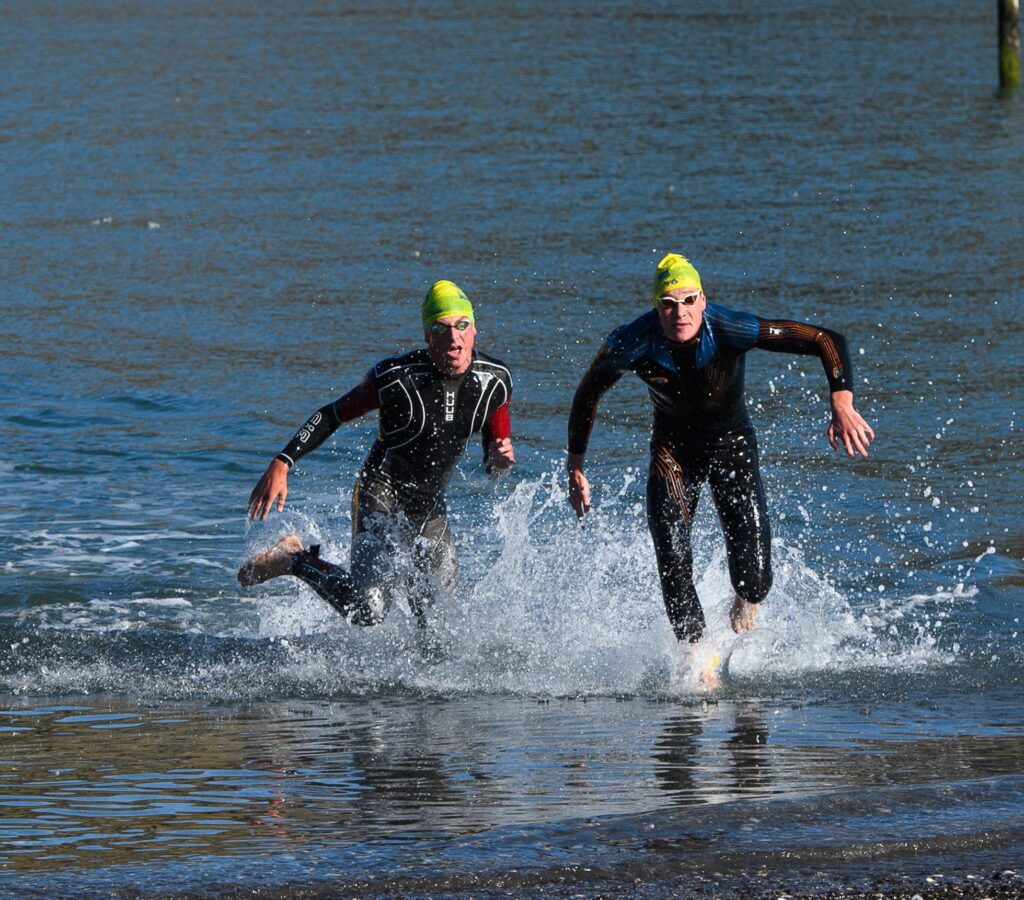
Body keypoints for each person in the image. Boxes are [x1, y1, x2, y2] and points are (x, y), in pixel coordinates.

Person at [566, 252, 873, 652]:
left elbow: (825, 339)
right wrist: (576, 466)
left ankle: (746, 599)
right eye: (670, 304)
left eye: (689, 300)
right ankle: (698, 656)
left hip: (733, 447)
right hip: (673, 452)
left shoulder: (731, 328)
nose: (681, 312)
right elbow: (588, 393)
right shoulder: (630, 342)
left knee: (755, 580)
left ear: (703, 300)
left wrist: (842, 403)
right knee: (672, 561)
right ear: (656, 308)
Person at [238, 280, 515, 628]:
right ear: (428, 337)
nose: (454, 339)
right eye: (440, 329)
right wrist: (283, 461)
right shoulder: (395, 379)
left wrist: (499, 462)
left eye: (462, 326)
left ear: (475, 329)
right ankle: (294, 559)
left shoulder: (496, 382)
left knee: (439, 624)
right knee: (368, 608)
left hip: (429, 506)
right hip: (380, 493)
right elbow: (333, 413)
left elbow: (493, 465)